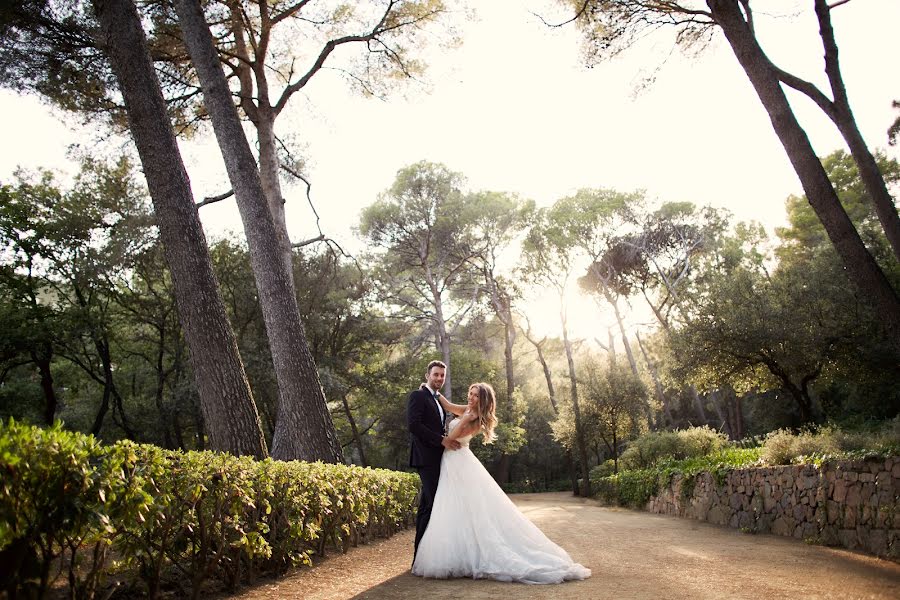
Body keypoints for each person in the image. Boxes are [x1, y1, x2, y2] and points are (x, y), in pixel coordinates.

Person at [412, 382, 591, 584]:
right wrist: (431, 390)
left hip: (458, 462)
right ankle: (461, 551)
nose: (471, 398)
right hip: (451, 463)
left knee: (463, 507)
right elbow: (449, 406)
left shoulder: (476, 419)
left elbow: (451, 439)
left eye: (476, 396)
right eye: (470, 393)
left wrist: (463, 422)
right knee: (456, 508)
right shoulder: (467, 409)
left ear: (484, 400)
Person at [407, 360, 461, 560]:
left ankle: (420, 557)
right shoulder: (418, 396)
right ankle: (421, 557)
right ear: (427, 375)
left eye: (442, 376)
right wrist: (441, 440)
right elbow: (414, 426)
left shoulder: (437, 399)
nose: (439, 378)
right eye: (436, 374)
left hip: (439, 458)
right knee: (432, 505)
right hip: (425, 458)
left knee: (426, 506)